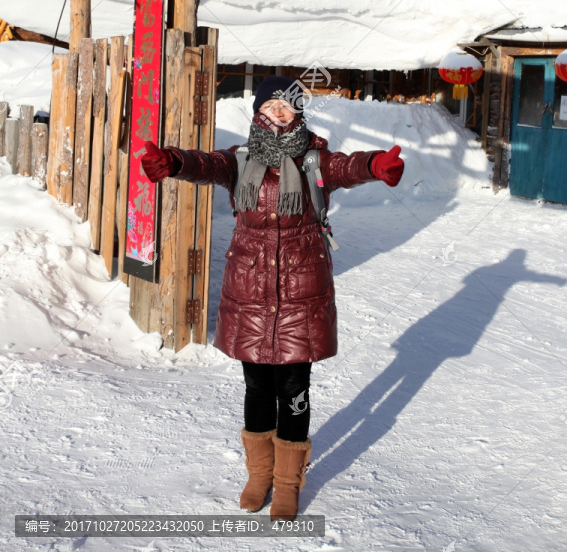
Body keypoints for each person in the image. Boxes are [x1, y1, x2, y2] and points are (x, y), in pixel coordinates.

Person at [141, 76, 404, 519]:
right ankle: (259, 474)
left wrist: (376, 164)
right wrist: (173, 161)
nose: (279, 113)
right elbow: (205, 164)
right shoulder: (240, 160)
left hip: (302, 291)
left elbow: (346, 166)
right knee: (257, 386)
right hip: (250, 291)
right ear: (259, 111)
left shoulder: (315, 158)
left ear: (298, 112)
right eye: (271, 106)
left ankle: (287, 483)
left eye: (287, 106)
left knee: (294, 388)